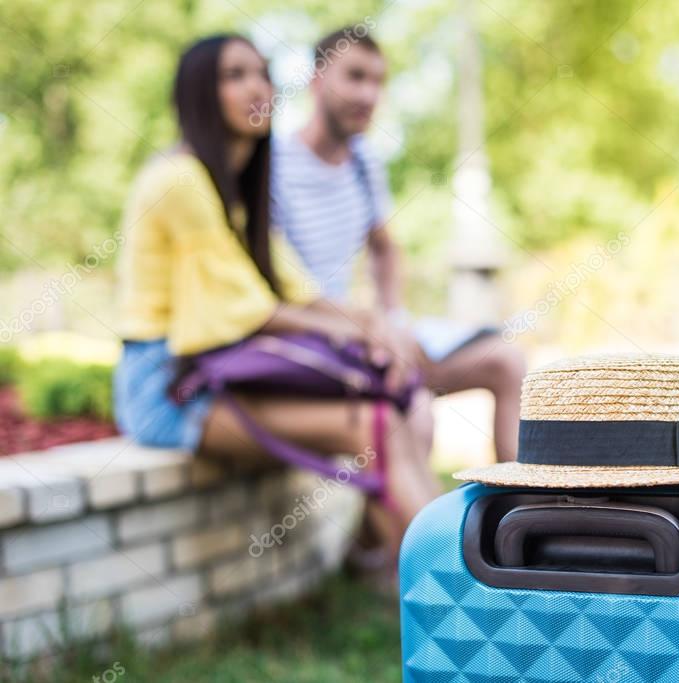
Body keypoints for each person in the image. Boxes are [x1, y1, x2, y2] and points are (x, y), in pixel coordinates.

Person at [113, 34, 441, 560]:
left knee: (394, 417)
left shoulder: (237, 193)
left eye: (262, 73)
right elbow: (242, 311)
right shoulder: (177, 180)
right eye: (235, 75)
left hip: (220, 373)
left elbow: (299, 291)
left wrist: (376, 327)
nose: (257, 87)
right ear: (199, 93)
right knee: (378, 424)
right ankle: (453, 601)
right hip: (169, 389)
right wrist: (358, 333)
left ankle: (436, 591)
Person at [271, 26, 526, 463]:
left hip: (367, 331)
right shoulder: (273, 164)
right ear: (315, 79)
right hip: (314, 337)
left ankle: (516, 517)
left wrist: (393, 317)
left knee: (508, 361)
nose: (369, 95)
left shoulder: (364, 163)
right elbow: (275, 285)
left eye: (378, 82)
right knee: (416, 413)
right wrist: (371, 327)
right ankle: (400, 533)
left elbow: (385, 248)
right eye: (354, 76)